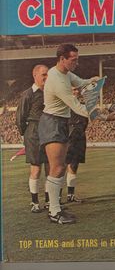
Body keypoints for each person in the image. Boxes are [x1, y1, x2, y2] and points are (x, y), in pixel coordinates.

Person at [38, 44, 99, 225]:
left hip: (60, 122)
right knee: (57, 168)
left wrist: (92, 80)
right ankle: (54, 211)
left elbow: (80, 82)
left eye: (77, 59)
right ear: (62, 59)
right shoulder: (56, 79)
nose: (76, 63)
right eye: (73, 60)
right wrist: (102, 115)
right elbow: (77, 107)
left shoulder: (65, 74)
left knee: (61, 167)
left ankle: (55, 206)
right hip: (52, 123)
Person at [16, 64, 49, 213]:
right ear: (35, 75)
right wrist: (27, 134)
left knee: (51, 168)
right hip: (33, 133)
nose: (46, 77)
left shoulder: (49, 92)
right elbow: (20, 118)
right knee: (36, 169)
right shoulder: (27, 94)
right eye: (43, 74)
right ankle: (35, 202)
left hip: (49, 131)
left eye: (47, 74)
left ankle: (50, 201)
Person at [65, 87, 89, 203]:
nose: (75, 92)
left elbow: (85, 122)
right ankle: (56, 198)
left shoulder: (82, 104)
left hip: (79, 136)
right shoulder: (63, 104)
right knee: (60, 167)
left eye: (76, 90)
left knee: (74, 166)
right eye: (73, 89)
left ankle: (71, 195)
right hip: (67, 136)